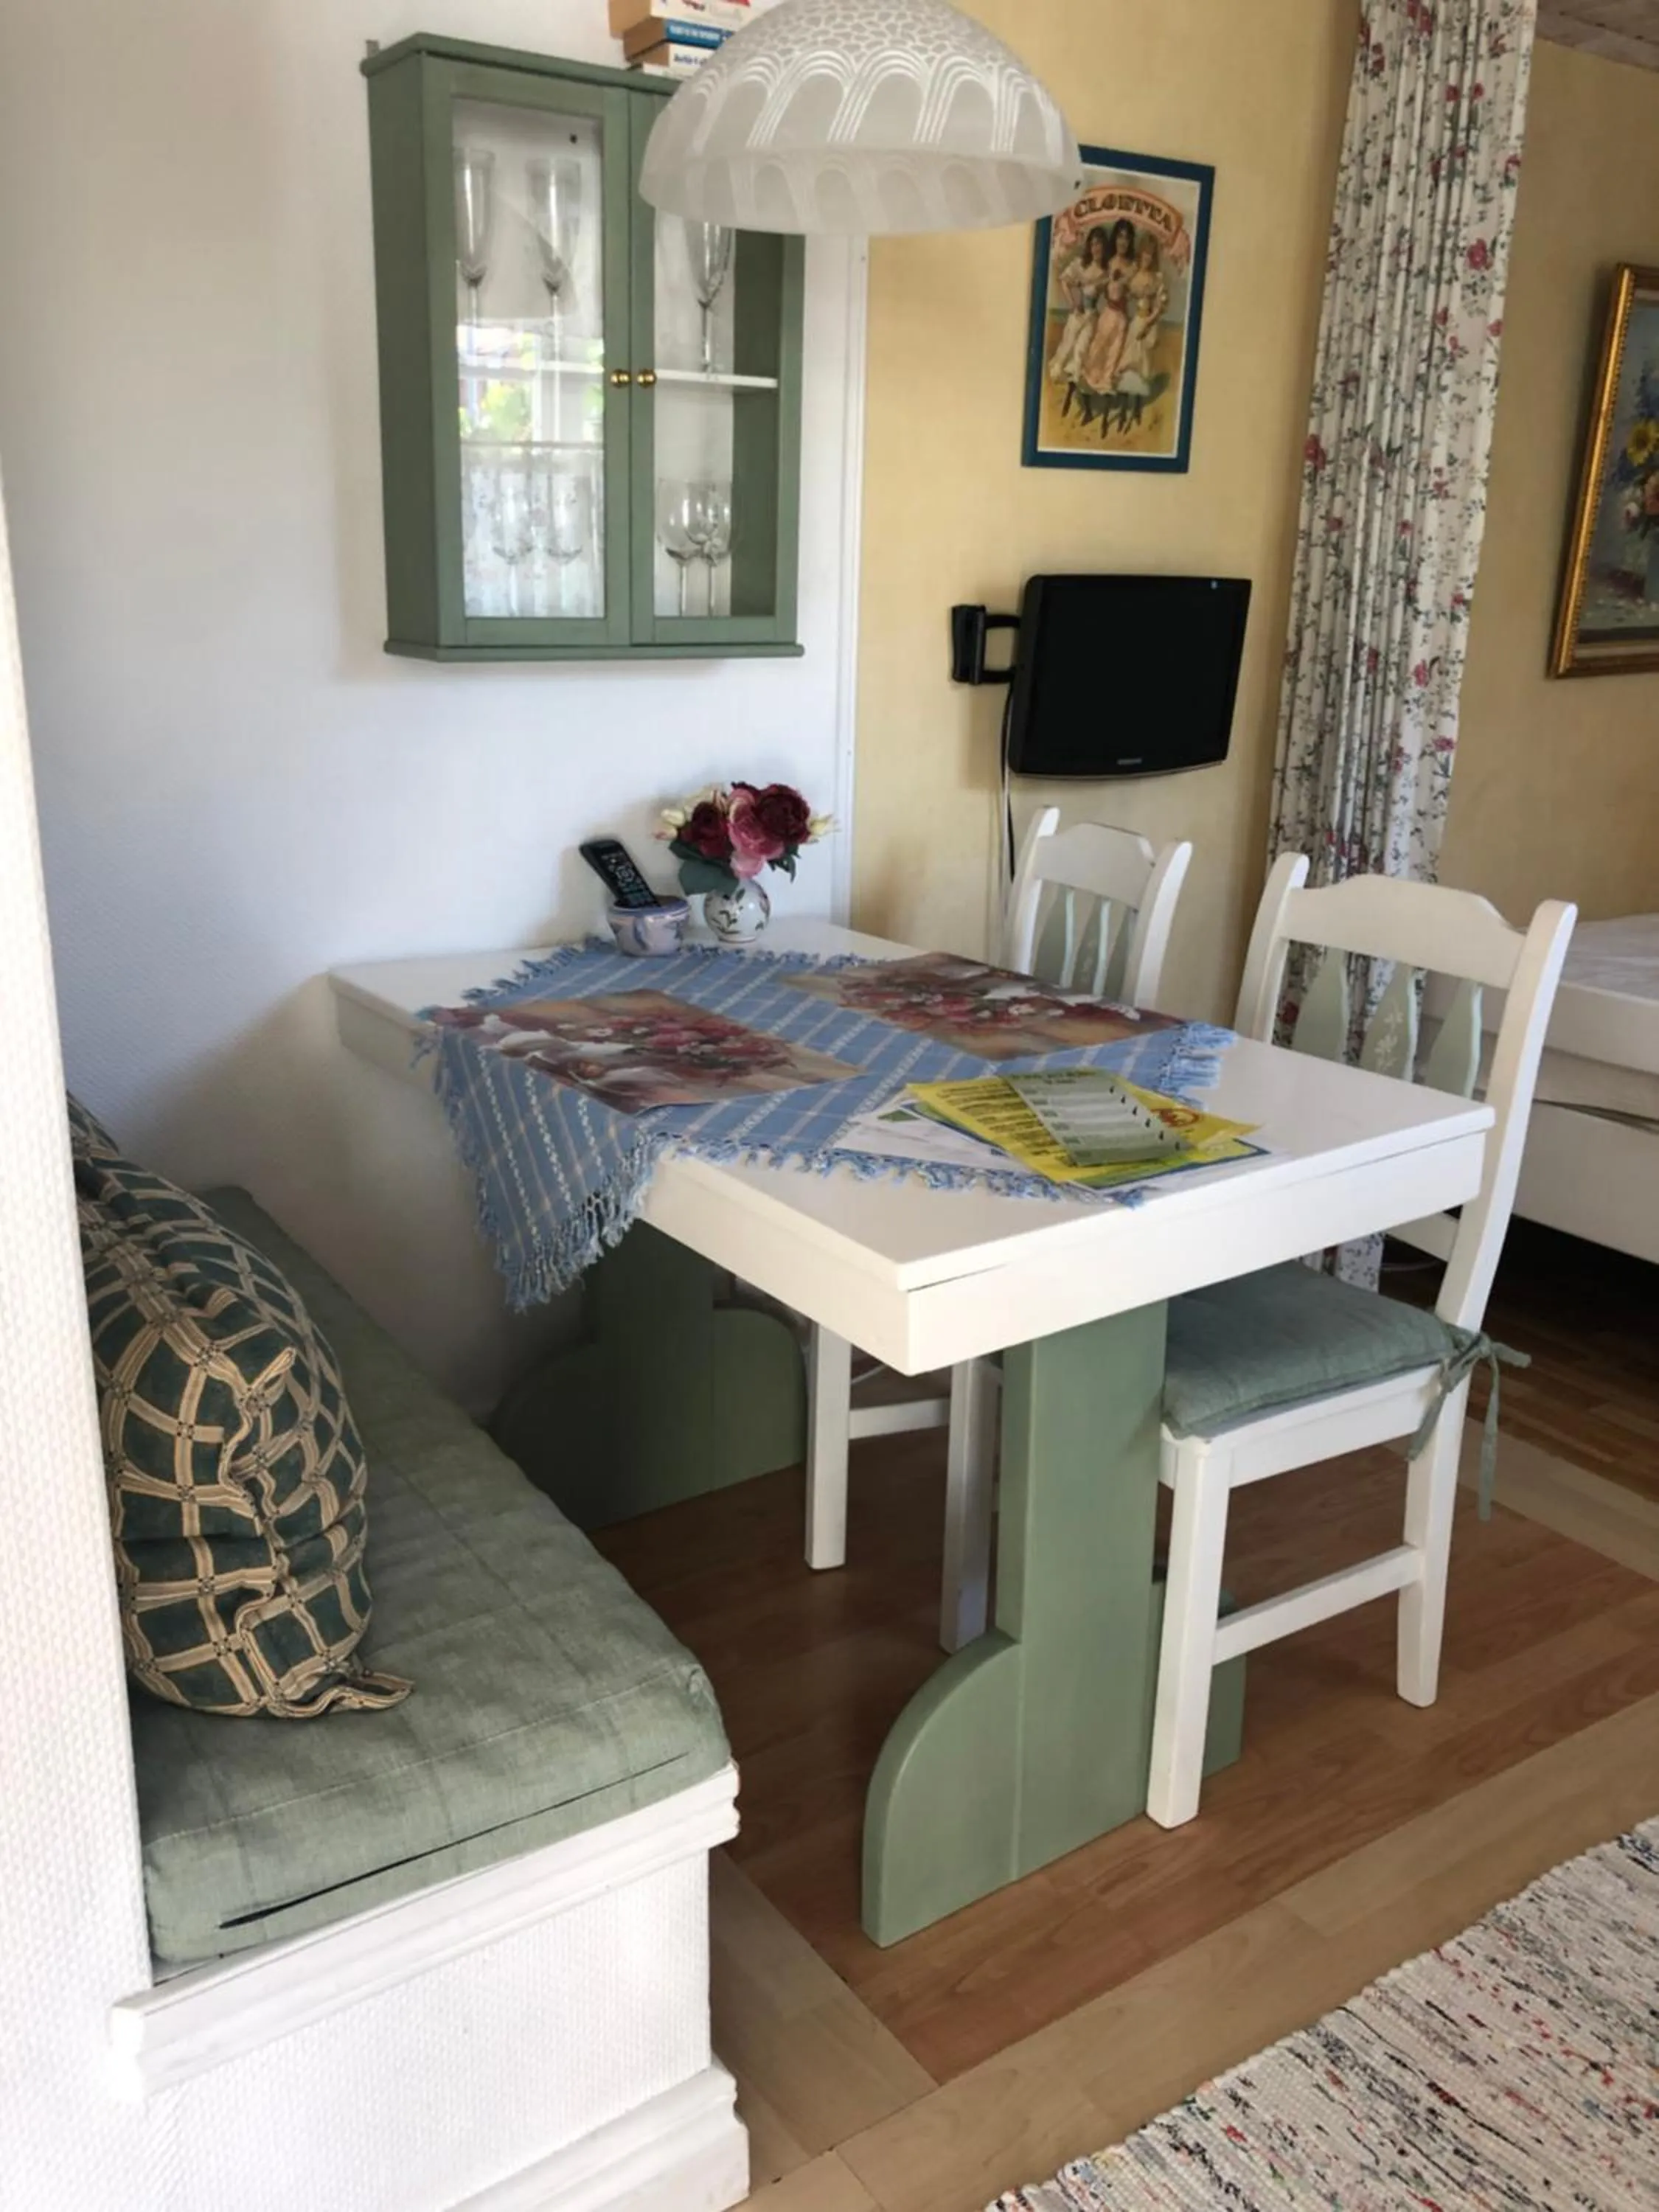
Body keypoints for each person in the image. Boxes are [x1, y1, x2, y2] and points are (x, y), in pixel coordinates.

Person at [1077, 218, 1138, 400]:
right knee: (1098, 349)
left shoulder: (1133, 267)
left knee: (1115, 352)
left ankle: (1107, 383)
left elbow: (1132, 290)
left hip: (1122, 317)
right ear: (1115, 239)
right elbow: (1097, 284)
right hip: (1108, 313)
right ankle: (1091, 382)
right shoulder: (1109, 262)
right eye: (1120, 237)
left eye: (1127, 238)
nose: (1123, 242)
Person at [1048, 225, 1110, 386]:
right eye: (1094, 244)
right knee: (1068, 344)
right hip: (1078, 314)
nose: (1097, 248)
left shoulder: (1106, 271)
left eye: (1100, 244)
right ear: (1090, 246)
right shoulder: (1080, 264)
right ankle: (1058, 373)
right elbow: (1064, 281)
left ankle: (1074, 379)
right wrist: (1073, 304)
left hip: (1091, 316)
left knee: (1082, 348)